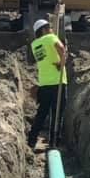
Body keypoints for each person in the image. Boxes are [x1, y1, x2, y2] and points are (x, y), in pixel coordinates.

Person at [27, 19, 68, 150]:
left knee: (42, 112)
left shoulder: (34, 44)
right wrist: (62, 62)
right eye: (49, 28)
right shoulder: (51, 37)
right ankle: (54, 143)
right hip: (58, 81)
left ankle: (31, 141)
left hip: (44, 83)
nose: (51, 29)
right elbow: (61, 48)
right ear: (44, 30)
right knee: (57, 113)